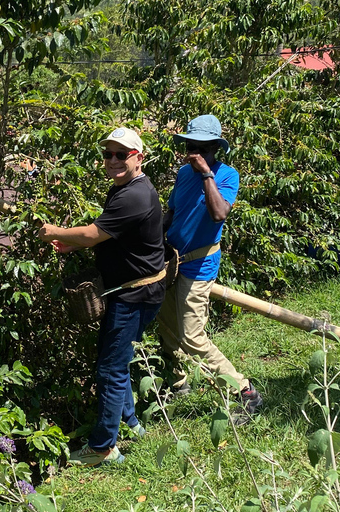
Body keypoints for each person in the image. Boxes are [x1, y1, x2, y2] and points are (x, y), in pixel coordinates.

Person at [38, 127, 166, 466]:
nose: (112, 160)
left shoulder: (133, 194)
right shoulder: (127, 188)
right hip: (137, 290)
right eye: (108, 154)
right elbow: (110, 234)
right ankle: (130, 422)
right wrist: (74, 242)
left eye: (121, 155)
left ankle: (103, 447)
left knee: (110, 368)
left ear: (139, 157)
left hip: (135, 295)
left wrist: (55, 232)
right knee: (118, 360)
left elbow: (95, 234)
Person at [157, 114, 262, 425]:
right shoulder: (182, 174)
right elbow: (172, 212)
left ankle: (244, 391)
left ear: (215, 148)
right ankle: (178, 385)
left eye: (202, 148)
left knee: (192, 335)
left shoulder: (227, 176)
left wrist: (206, 175)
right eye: (190, 146)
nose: (194, 152)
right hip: (171, 260)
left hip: (199, 266)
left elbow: (218, 214)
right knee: (166, 327)